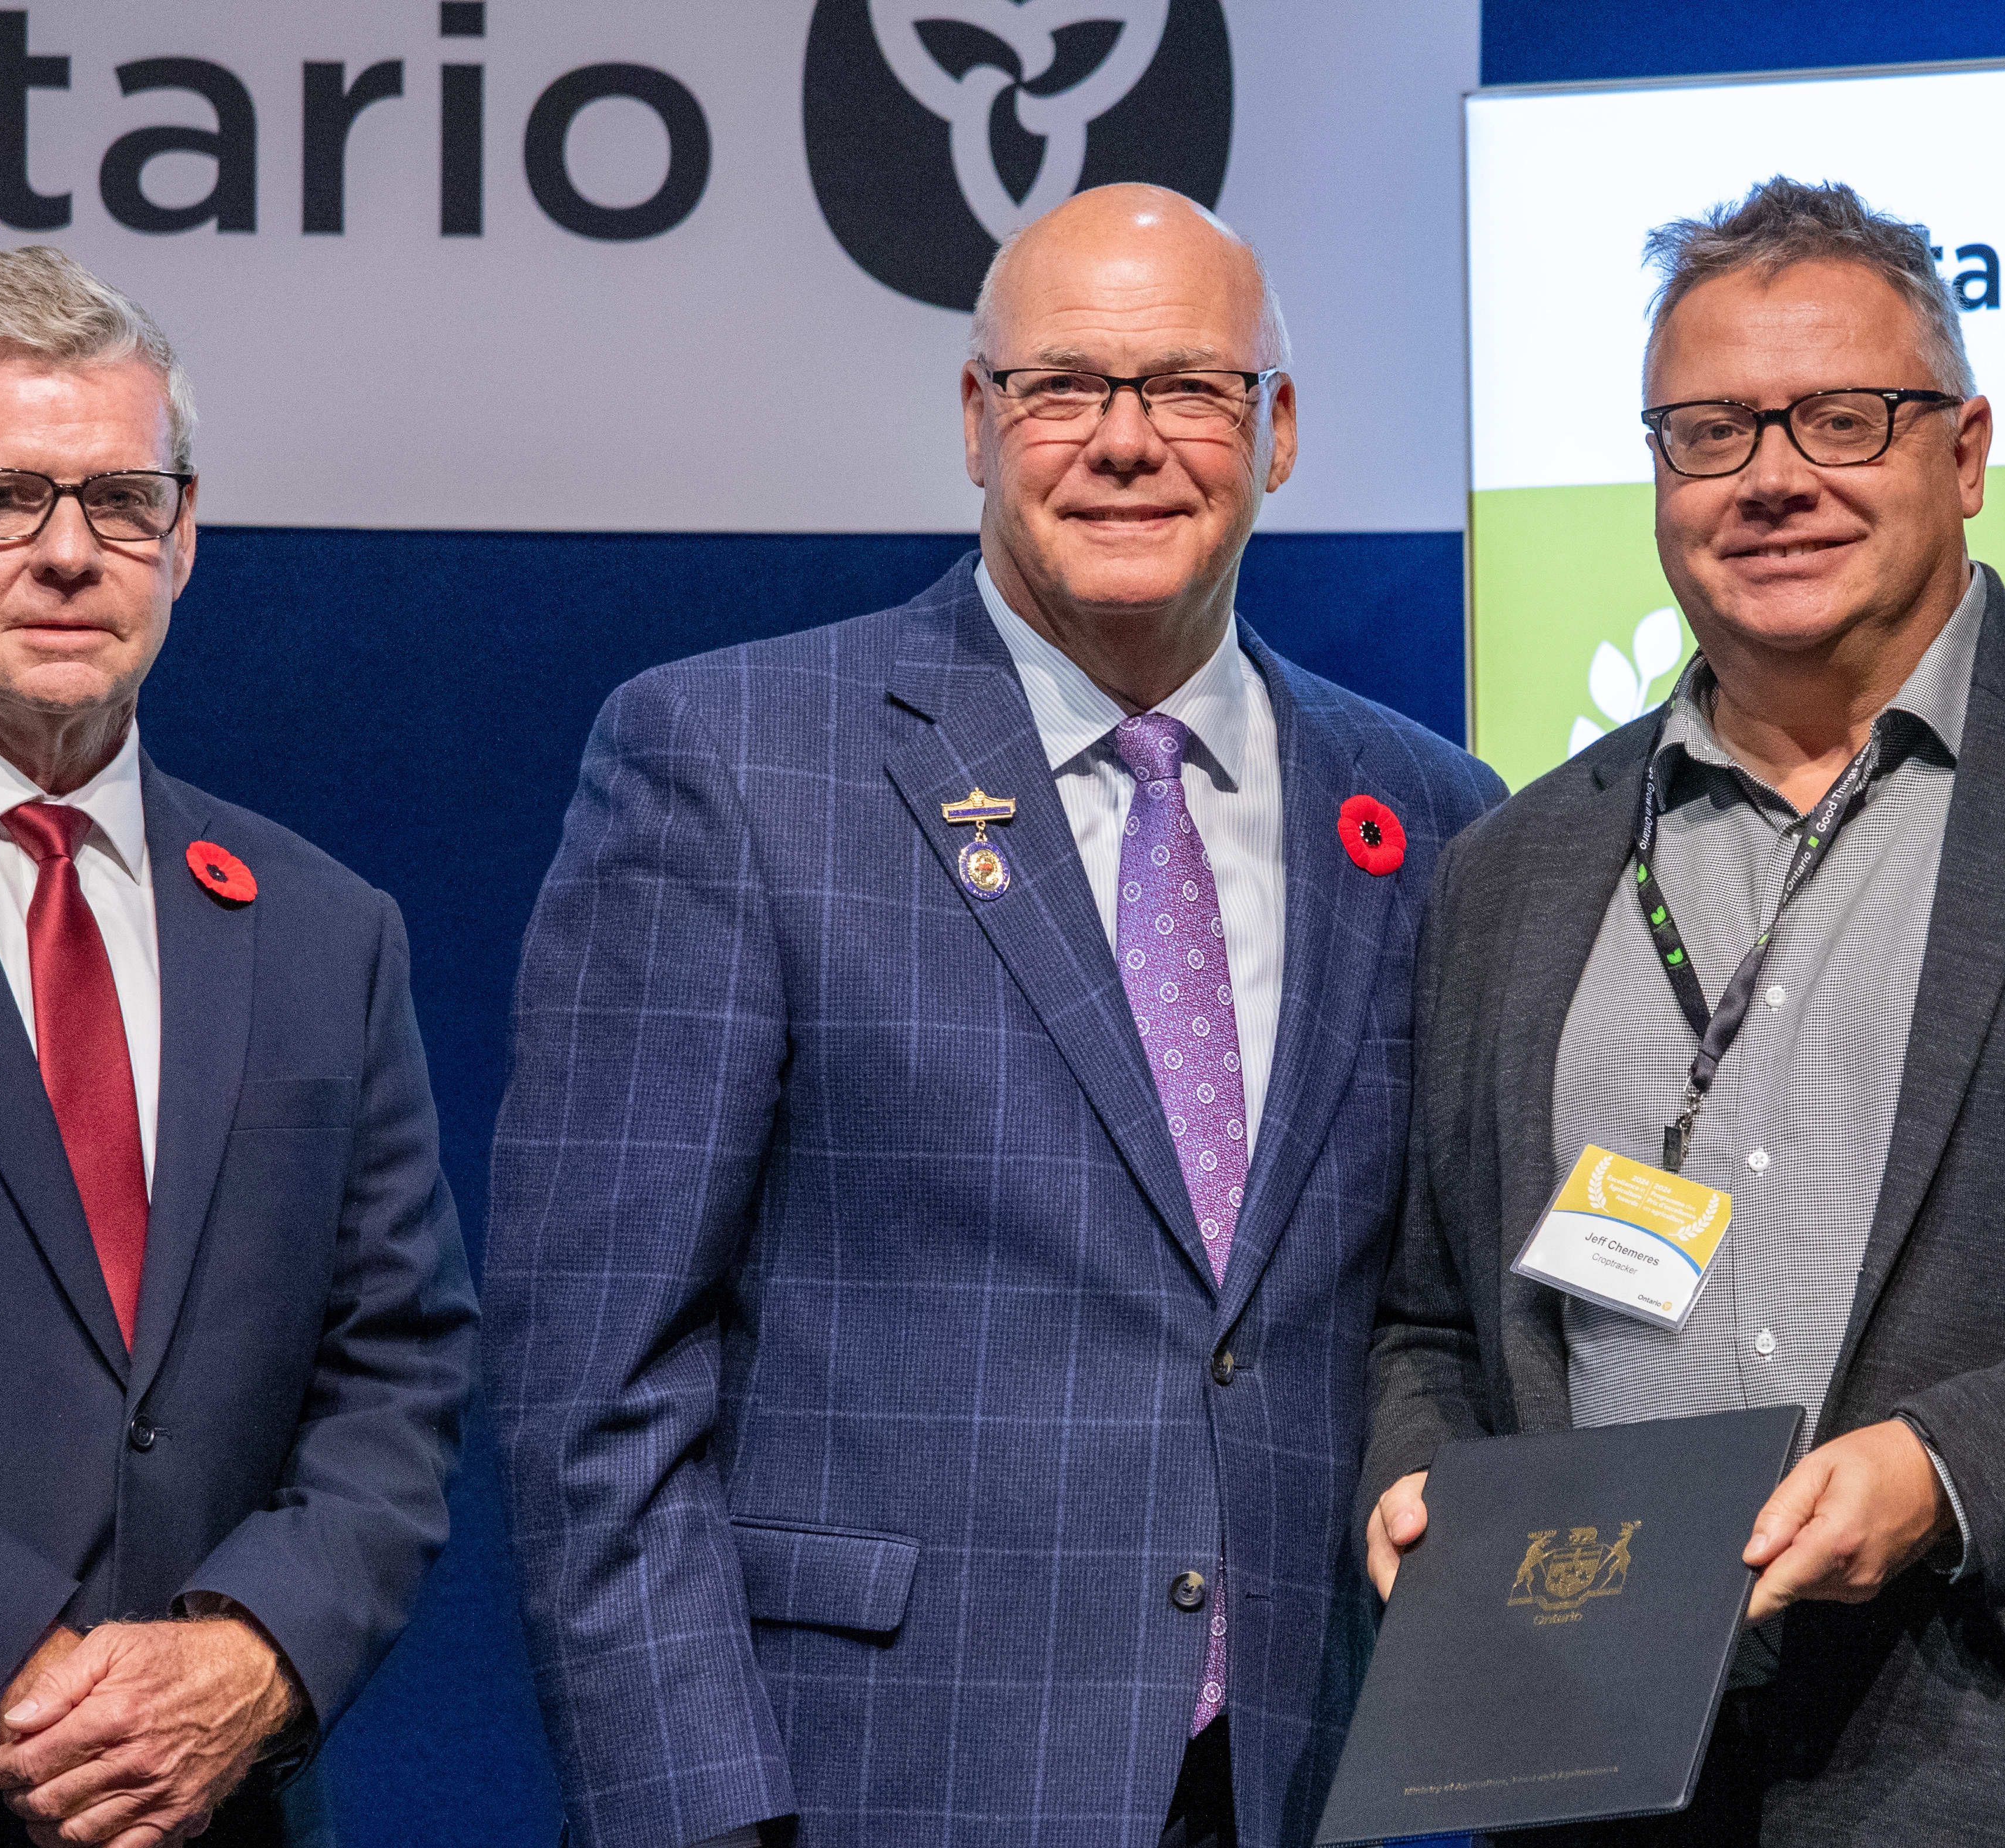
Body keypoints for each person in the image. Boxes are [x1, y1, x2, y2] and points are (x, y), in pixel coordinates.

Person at [1360, 176, 2005, 1843]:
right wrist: (1417, 1489)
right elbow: (1432, 1319)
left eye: (1844, 419)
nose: (1775, 476)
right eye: (1712, 431)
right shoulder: (1521, 860)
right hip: (1599, 1792)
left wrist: (1952, 1473)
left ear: (1968, 452)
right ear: (1657, 476)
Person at [486, 183, 1504, 1848]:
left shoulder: (1429, 813)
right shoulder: (733, 761)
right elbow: (595, 1379)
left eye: (1187, 387)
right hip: (876, 1782)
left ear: (1281, 433)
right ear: (978, 420)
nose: (1127, 442)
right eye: (1065, 388)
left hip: (1308, 1784)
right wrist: (691, 1816)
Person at [0, 246, 478, 1846]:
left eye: (122, 500)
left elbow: (402, 1371)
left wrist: (252, 1654)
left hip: (211, 1811)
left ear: (188, 533)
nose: (71, 555)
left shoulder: (320, 929)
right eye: (2, 497)